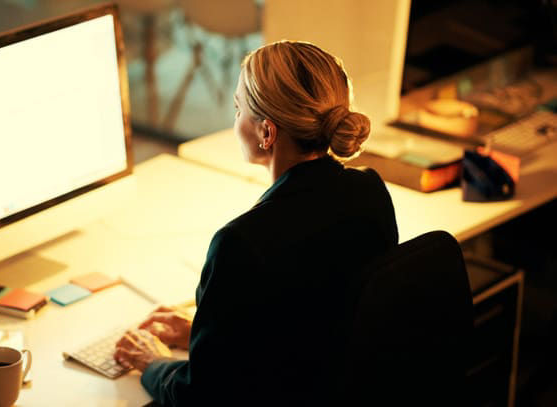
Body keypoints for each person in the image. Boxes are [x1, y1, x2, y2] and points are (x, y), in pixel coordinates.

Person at [114, 40, 399, 405]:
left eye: (238, 109)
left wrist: (152, 362)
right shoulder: (369, 193)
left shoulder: (241, 243)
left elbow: (201, 396)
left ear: (267, 133)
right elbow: (313, 322)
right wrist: (204, 335)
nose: (234, 122)